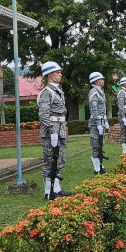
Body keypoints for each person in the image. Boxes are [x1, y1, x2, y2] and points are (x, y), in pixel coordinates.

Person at [37, 61, 71, 199]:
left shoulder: (58, 91)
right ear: (50, 74)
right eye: (58, 72)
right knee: (50, 160)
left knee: (59, 160)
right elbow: (43, 115)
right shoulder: (47, 92)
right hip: (51, 132)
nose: (60, 74)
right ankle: (48, 191)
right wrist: (52, 132)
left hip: (60, 130)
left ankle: (56, 189)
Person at [88, 71, 109, 174]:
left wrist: (105, 121)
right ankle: (97, 168)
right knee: (96, 144)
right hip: (95, 122)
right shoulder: (94, 92)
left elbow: (102, 109)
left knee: (101, 144)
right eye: (101, 79)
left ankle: (100, 165)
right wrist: (98, 123)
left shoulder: (100, 92)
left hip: (101, 121)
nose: (103, 81)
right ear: (96, 81)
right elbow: (94, 109)